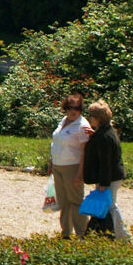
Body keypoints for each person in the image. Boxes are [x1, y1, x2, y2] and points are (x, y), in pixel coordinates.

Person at [49, 93, 92, 238]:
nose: (73, 111)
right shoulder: (64, 121)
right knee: (63, 201)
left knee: (76, 201)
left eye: (77, 108)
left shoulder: (82, 126)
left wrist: (80, 173)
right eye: (70, 108)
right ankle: (66, 233)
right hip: (58, 165)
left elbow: (85, 151)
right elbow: (56, 142)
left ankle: (82, 234)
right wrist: (51, 161)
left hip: (72, 166)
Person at [83, 100, 128, 240]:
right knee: (110, 206)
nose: (90, 119)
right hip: (114, 175)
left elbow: (105, 163)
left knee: (110, 207)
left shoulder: (103, 137)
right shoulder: (108, 132)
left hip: (110, 177)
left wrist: (103, 183)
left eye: (91, 116)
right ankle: (116, 235)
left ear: (97, 118)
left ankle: (122, 236)